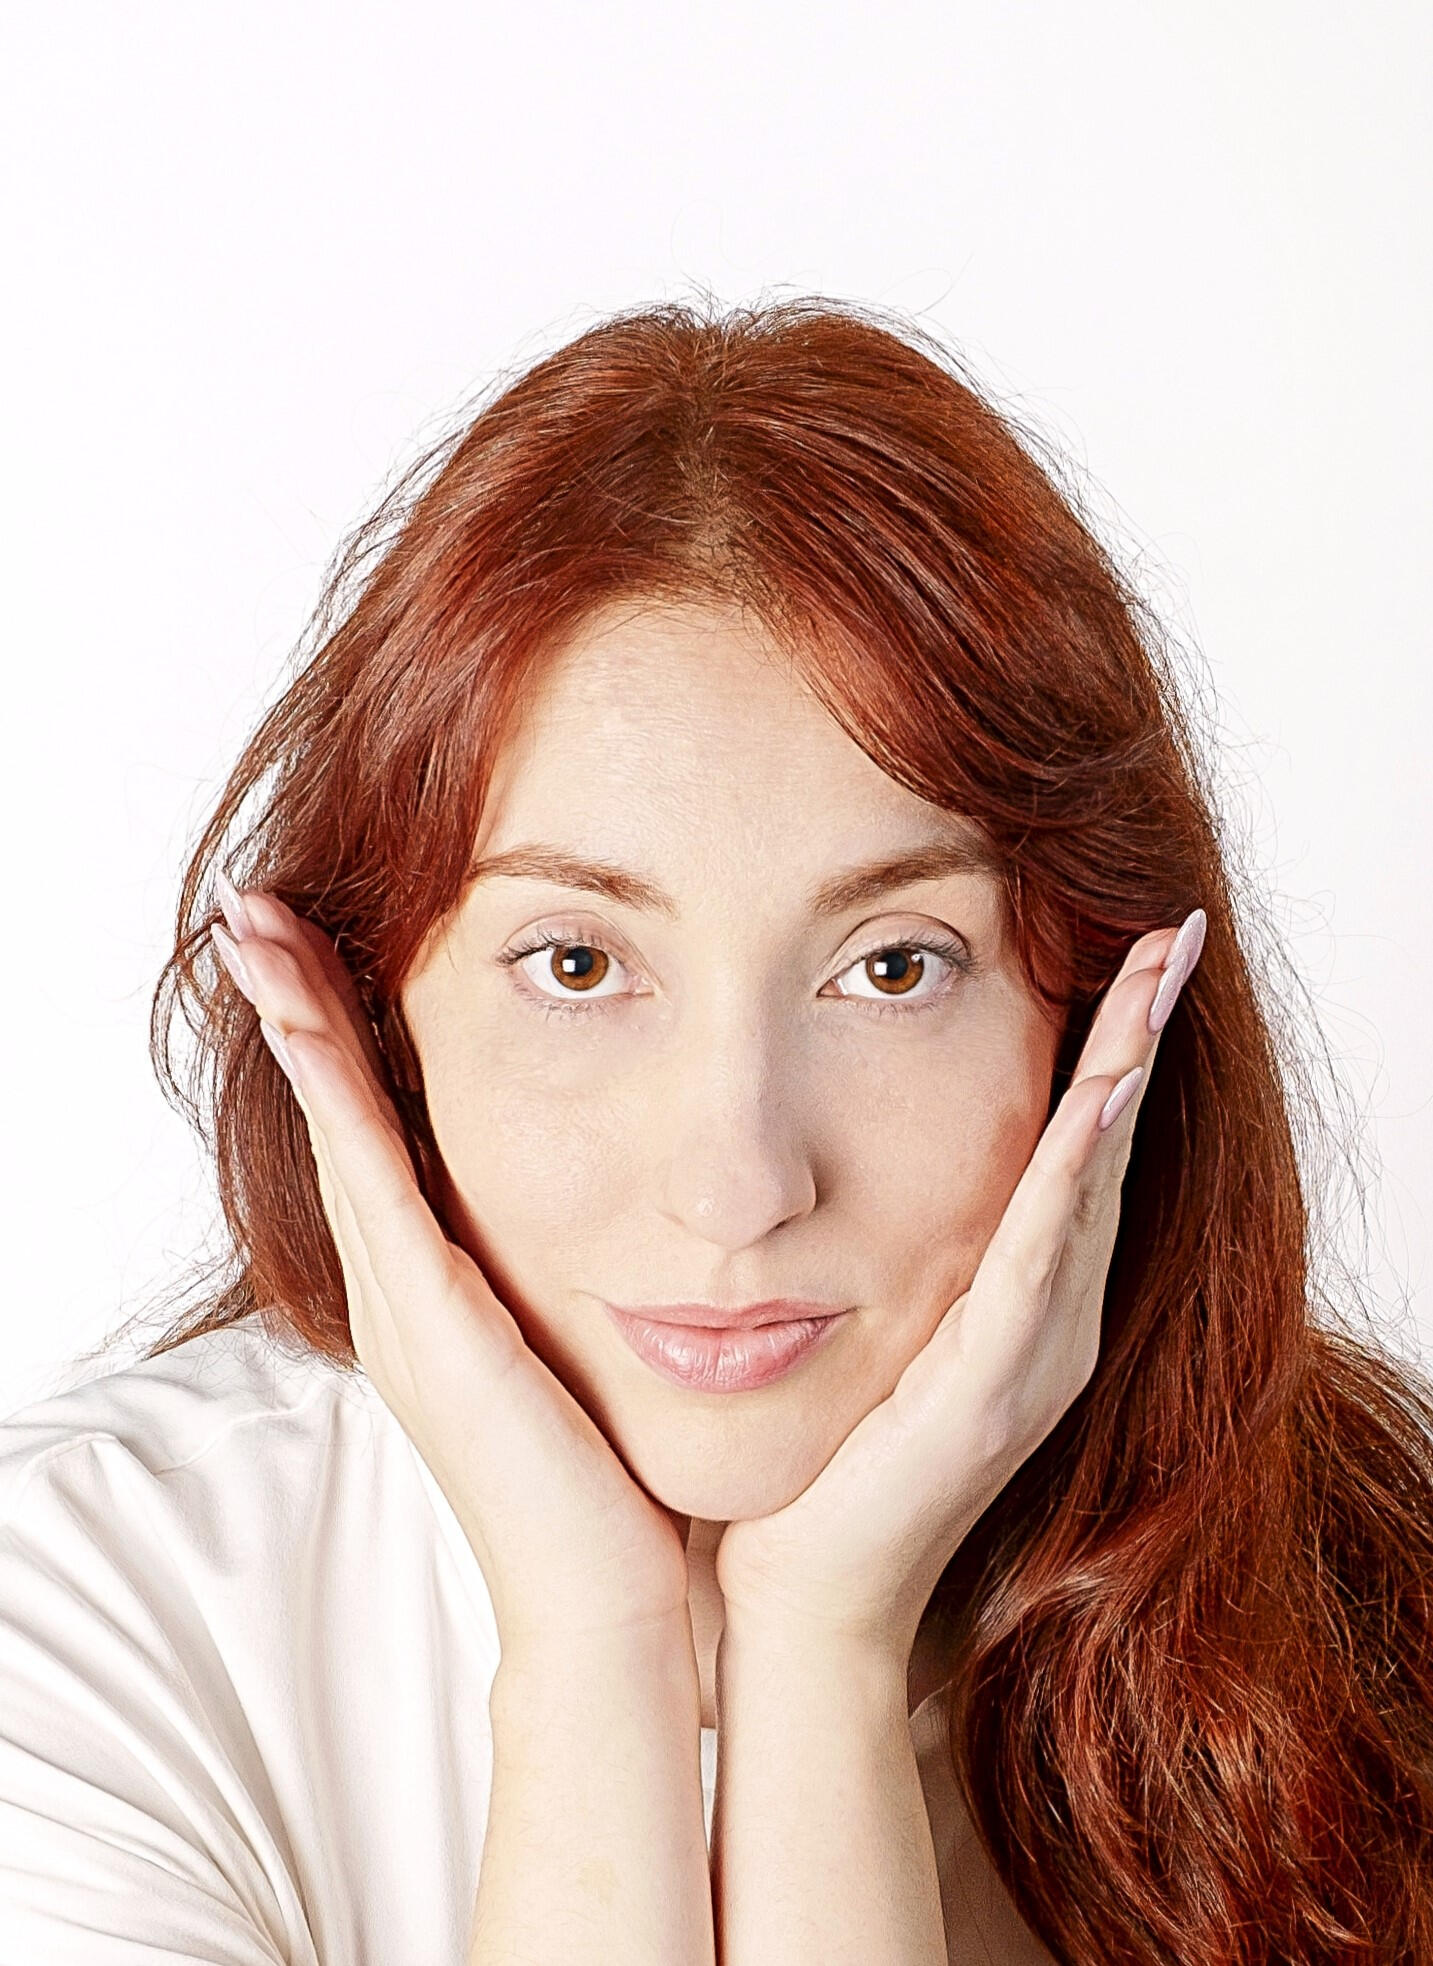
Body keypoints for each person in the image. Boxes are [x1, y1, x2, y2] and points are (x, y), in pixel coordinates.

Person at [0, 298, 1428, 1966]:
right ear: (375, 1013)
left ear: (1098, 1012)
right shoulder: (80, 1627)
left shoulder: (1365, 1608)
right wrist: (589, 1646)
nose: (739, 1183)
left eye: (891, 965)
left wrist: (819, 1647)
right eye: (577, 964)